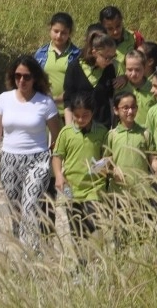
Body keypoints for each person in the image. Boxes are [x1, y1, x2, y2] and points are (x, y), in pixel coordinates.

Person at [0, 56, 62, 252]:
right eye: (18, 76)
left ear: (35, 78)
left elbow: (57, 136)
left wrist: (53, 163)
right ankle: (21, 249)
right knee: (16, 211)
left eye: (27, 76)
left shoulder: (45, 103)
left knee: (30, 206)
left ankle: (31, 255)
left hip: (38, 160)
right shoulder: (4, 99)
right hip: (9, 160)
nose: (22, 81)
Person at [52, 91, 109, 255]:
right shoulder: (66, 133)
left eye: (86, 115)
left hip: (94, 188)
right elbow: (57, 156)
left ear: (93, 113)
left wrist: (104, 165)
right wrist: (58, 175)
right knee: (76, 230)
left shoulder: (102, 131)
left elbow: (107, 156)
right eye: (77, 115)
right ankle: (80, 265)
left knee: (94, 227)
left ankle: (96, 260)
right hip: (71, 188)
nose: (81, 119)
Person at [62, 29, 118, 127]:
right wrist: (69, 128)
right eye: (107, 57)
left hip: (102, 127)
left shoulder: (109, 68)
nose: (110, 61)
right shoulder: (74, 67)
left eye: (113, 57)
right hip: (79, 125)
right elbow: (68, 100)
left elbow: (111, 97)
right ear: (94, 52)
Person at [34, 12, 80, 111]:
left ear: (70, 33)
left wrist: (57, 100)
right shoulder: (40, 54)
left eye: (63, 33)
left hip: (70, 110)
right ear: (50, 29)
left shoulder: (77, 55)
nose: (59, 36)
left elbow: (78, 84)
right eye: (56, 31)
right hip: (44, 109)